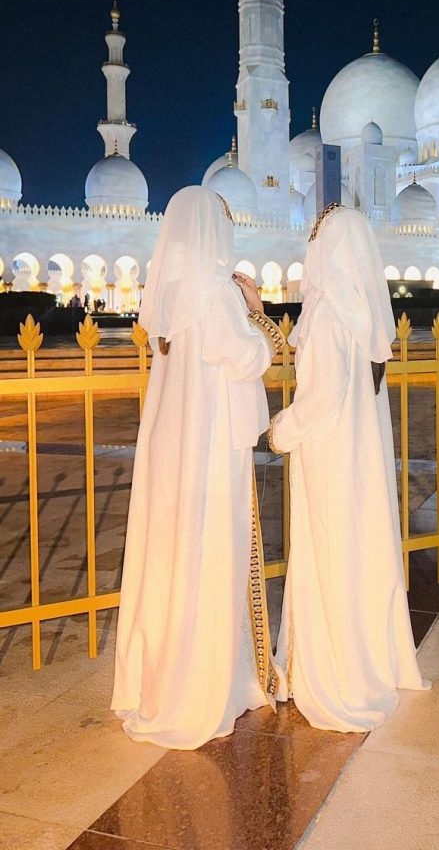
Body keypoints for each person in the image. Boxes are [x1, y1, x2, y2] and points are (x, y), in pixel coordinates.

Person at [112, 186, 284, 749]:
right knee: (211, 552)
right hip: (208, 453)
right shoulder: (213, 293)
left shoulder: (168, 294)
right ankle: (204, 683)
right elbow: (249, 357)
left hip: (172, 453)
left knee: (171, 557)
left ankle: (162, 677)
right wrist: (260, 316)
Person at [268, 203, 429, 732]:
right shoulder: (361, 317)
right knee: (358, 556)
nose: (311, 251)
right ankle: (367, 658)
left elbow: (320, 399)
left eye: (318, 242)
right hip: (357, 466)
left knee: (331, 557)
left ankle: (336, 673)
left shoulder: (332, 316)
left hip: (331, 465)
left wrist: (279, 431)